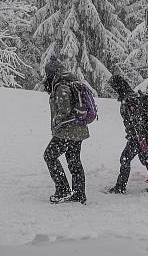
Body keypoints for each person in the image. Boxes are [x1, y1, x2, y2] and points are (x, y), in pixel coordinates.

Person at [105, 75, 148, 194]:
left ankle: (120, 187)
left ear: (118, 88)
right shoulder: (132, 97)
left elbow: (136, 121)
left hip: (139, 137)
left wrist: (141, 139)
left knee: (125, 159)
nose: (113, 92)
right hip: (142, 136)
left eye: (113, 89)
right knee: (147, 160)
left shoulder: (129, 100)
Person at [43, 55, 89, 204]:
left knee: (49, 156)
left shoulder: (62, 86)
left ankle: (63, 190)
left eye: (47, 74)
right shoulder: (71, 81)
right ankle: (79, 193)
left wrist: (56, 120)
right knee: (74, 161)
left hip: (67, 130)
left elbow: (64, 110)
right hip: (78, 130)